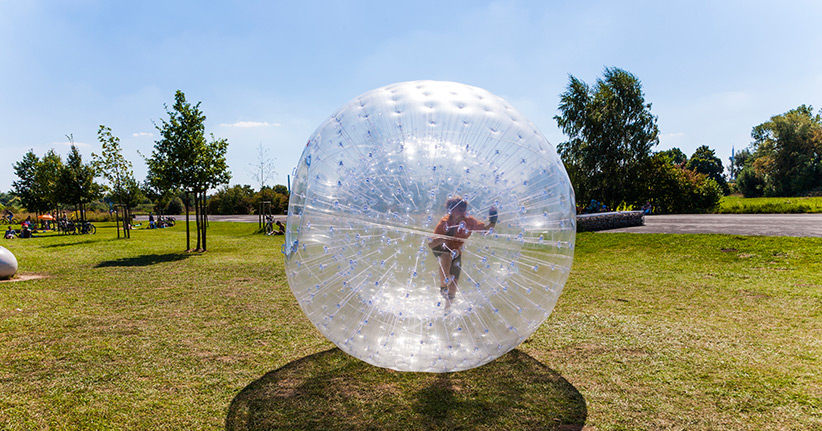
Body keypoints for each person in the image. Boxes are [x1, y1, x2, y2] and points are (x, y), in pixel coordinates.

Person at [428, 196, 497, 308]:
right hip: (441, 248)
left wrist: (493, 220)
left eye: (464, 208)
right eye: (459, 208)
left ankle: (447, 312)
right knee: (447, 256)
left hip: (456, 251)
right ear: (451, 209)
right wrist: (444, 237)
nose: (463, 210)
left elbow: (485, 231)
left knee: (454, 285)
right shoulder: (444, 223)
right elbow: (431, 244)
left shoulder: (469, 221)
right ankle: (443, 286)